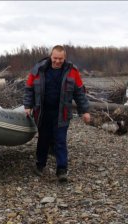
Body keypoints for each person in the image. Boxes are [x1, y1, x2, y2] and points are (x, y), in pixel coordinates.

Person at [23, 45, 91, 182]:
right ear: (50, 56)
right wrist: (28, 106)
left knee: (60, 140)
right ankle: (40, 165)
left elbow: (80, 93)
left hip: (62, 113)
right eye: (55, 58)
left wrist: (85, 111)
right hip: (42, 112)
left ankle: (62, 170)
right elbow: (29, 88)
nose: (57, 61)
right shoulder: (38, 69)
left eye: (60, 59)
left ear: (64, 58)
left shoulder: (72, 72)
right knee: (43, 139)